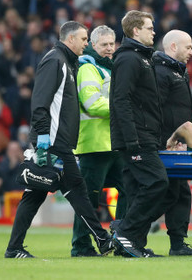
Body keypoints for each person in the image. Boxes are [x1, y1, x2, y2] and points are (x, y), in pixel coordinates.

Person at [5, 21, 114, 259]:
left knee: (38, 195)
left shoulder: (67, 62)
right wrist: (42, 140)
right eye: (84, 39)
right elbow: (40, 102)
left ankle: (14, 248)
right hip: (53, 143)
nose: (87, 44)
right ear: (70, 39)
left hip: (58, 141)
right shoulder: (54, 60)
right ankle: (102, 239)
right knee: (77, 191)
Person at [109, 10, 168, 258]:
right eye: (149, 27)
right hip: (136, 137)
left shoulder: (142, 58)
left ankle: (133, 243)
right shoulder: (129, 59)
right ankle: (125, 231)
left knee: (136, 189)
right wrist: (131, 137)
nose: (154, 32)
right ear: (135, 31)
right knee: (158, 183)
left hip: (143, 135)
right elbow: (120, 100)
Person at [71, 25, 127, 257]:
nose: (109, 48)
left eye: (111, 43)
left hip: (111, 143)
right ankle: (81, 246)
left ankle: (123, 241)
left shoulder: (108, 70)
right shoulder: (88, 68)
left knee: (129, 190)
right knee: (89, 199)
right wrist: (122, 109)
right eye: (103, 44)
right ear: (93, 45)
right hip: (94, 144)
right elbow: (92, 103)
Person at [153, 29, 192, 256]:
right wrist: (166, 138)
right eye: (188, 47)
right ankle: (127, 230)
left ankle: (178, 244)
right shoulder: (160, 72)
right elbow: (156, 109)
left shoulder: (177, 71)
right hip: (166, 145)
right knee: (166, 192)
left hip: (178, 145)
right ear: (173, 47)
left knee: (180, 192)